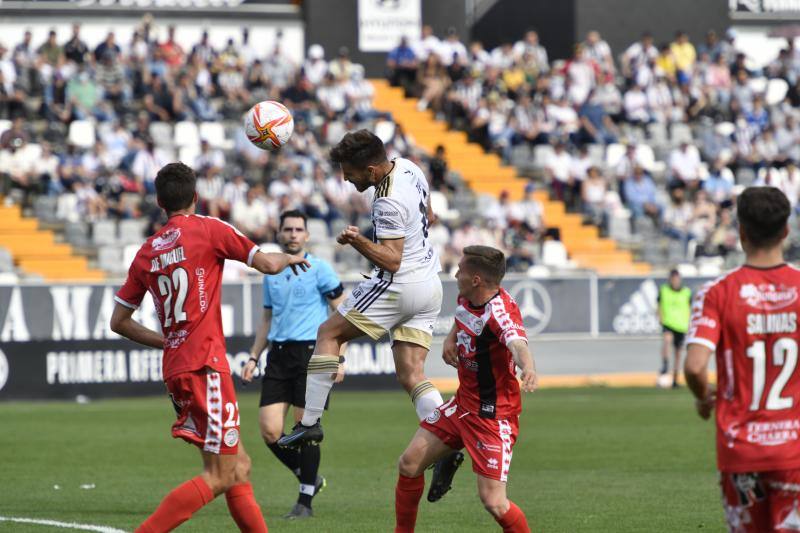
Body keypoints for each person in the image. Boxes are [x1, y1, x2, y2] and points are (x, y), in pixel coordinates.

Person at [109, 162, 310, 533]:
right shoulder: (209, 229)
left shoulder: (147, 251)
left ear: (159, 202)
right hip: (205, 366)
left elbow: (118, 322)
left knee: (239, 467)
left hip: (177, 368)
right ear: (196, 197)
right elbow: (267, 262)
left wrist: (167, 341)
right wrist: (289, 257)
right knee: (220, 474)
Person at [278, 130, 462, 502]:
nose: (346, 178)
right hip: (429, 283)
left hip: (400, 284)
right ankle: (447, 440)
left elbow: (392, 259)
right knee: (411, 374)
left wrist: (358, 240)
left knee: (328, 333)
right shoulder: (410, 168)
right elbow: (429, 215)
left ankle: (309, 424)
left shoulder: (385, 201)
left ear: (373, 168)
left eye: (350, 172)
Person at [394, 245, 536, 533]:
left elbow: (518, 343)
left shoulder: (500, 312)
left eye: (461, 270)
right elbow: (464, 315)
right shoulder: (467, 295)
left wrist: (528, 367)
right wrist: (451, 338)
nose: (455, 273)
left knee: (494, 502)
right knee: (409, 464)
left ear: (476, 280)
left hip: (492, 418)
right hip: (462, 406)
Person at [685, 186, 800, 532]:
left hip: (741, 452)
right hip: (794, 450)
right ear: (786, 231)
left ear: (741, 232)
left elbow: (694, 365)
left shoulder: (717, 292)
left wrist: (703, 395)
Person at [241, 210, 346, 520]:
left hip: (312, 355)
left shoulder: (320, 269)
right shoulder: (271, 271)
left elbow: (344, 316)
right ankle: (310, 478)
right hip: (278, 354)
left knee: (307, 430)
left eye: (299, 229)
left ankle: (305, 503)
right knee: (269, 430)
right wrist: (253, 357)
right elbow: (266, 319)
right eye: (288, 229)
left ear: (307, 235)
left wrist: (339, 357)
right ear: (280, 233)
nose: (293, 234)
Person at [657, 269, 691, 388]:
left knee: (678, 353)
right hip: (668, 323)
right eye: (673, 279)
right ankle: (665, 365)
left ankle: (675, 379)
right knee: (667, 340)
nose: (675, 281)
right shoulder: (664, 290)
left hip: (681, 326)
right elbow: (659, 305)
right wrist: (660, 317)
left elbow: (689, 308)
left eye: (677, 279)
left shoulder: (686, 292)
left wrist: (689, 323)